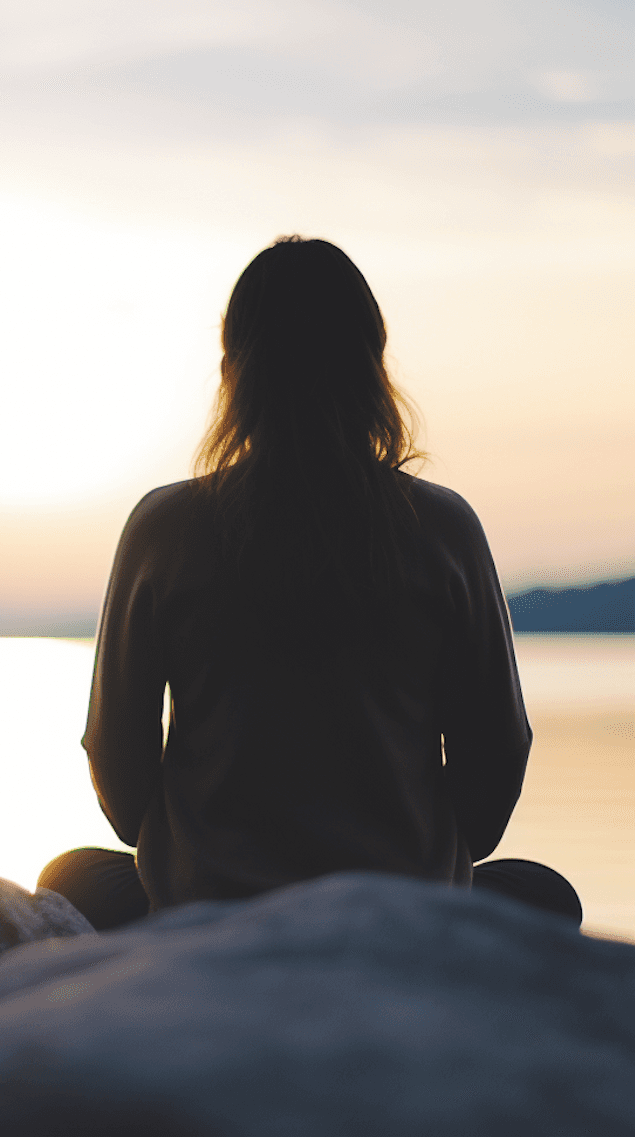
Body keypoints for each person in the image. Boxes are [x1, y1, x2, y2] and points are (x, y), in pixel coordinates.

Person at [39, 236, 581, 930]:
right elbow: (498, 751)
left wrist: (196, 855)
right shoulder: (442, 527)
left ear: (234, 373)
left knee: (67, 880)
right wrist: (431, 859)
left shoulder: (165, 526)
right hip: (401, 907)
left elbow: (118, 765)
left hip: (210, 908)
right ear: (373, 367)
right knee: (544, 895)